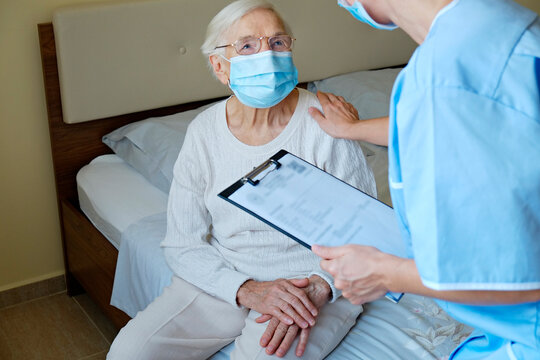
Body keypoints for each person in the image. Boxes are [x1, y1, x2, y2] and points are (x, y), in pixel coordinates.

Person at [107, 1, 376, 359]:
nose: (267, 54)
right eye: (248, 46)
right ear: (220, 67)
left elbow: (364, 232)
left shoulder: (325, 122)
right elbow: (181, 243)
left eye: (278, 42)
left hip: (308, 282)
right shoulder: (204, 132)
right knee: (130, 353)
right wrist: (245, 289)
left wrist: (319, 287)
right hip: (230, 274)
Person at [309, 0, 540, 359]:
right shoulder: (503, 25)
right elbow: (473, 118)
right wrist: (352, 128)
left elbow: (506, 273)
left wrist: (386, 273)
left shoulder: (442, 74)